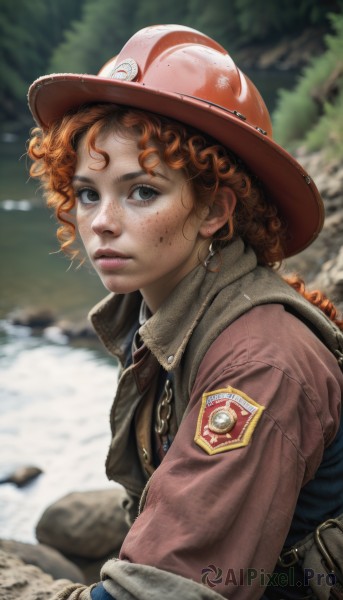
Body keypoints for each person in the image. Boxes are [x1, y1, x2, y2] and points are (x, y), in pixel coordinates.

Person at [27, 24, 343, 600]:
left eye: (142, 191)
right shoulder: (156, 315)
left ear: (215, 209)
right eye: (87, 192)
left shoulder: (261, 364)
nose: (101, 221)